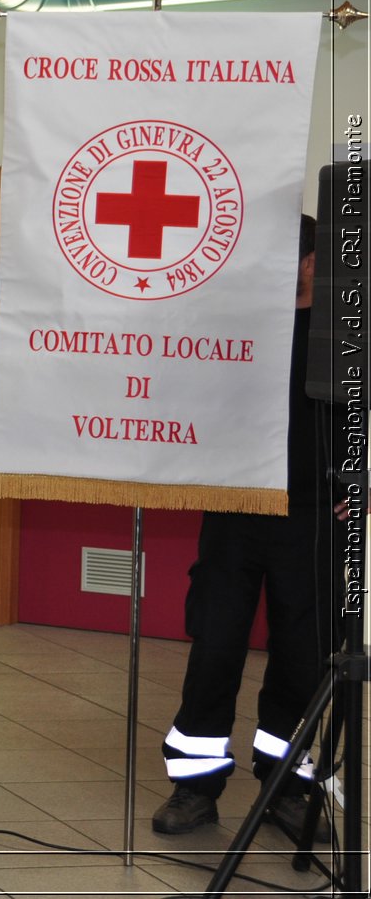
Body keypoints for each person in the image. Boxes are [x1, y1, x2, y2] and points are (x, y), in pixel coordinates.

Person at [152, 214, 348, 838]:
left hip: (314, 516)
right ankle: (194, 787)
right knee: (213, 648)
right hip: (235, 509)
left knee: (303, 657)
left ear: (313, 261)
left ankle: (285, 785)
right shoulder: (233, 328)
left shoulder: (346, 334)